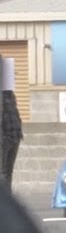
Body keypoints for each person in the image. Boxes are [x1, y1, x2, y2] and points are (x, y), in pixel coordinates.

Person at [1, 57, 20, 193]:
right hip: (3, 137)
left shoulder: (8, 92)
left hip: (14, 136)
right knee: (2, 173)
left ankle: (6, 203)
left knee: (8, 172)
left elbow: (14, 112)